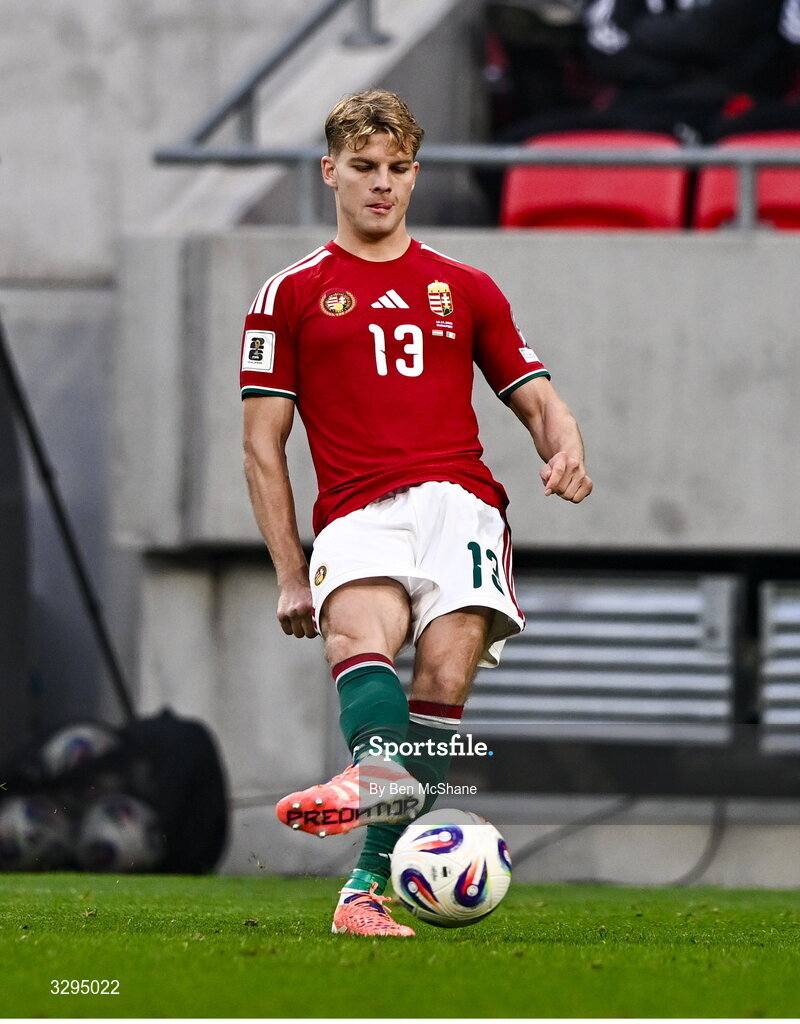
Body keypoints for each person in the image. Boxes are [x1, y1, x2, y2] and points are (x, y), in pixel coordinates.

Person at [240, 90, 592, 937]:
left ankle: (363, 888)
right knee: (356, 640)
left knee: (439, 691)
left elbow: (537, 398)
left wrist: (566, 444)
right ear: (330, 171)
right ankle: (374, 778)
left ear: (414, 174)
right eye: (363, 167)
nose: (382, 184)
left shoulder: (464, 286)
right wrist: (289, 571)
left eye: (397, 168)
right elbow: (261, 446)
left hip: (461, 508)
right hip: (356, 508)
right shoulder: (288, 293)